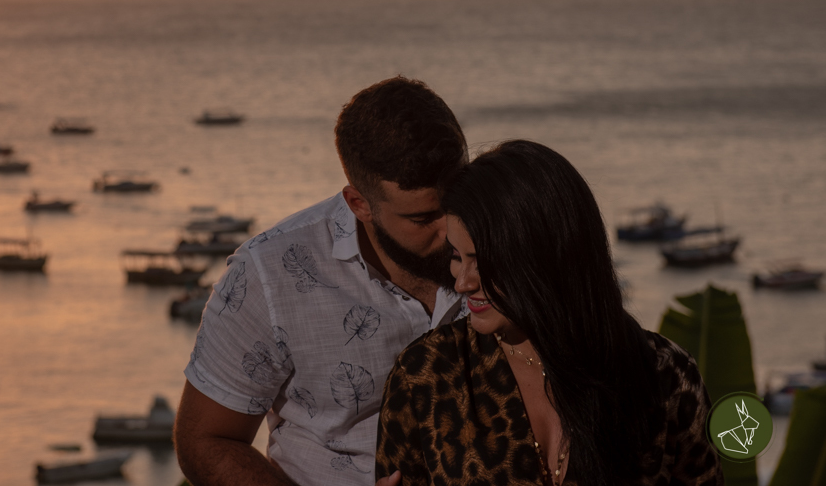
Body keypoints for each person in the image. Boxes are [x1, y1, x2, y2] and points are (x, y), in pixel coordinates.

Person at [175, 76, 470, 486]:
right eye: (422, 219)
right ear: (359, 204)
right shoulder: (267, 274)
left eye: (458, 199)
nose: (451, 228)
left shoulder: (510, 235)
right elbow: (205, 439)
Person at [376, 140, 724, 486]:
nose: (463, 283)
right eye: (456, 256)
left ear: (546, 259)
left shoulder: (664, 377)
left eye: (485, 263)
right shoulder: (426, 377)